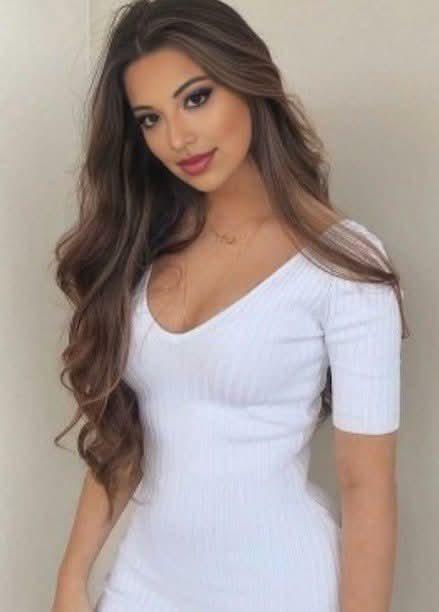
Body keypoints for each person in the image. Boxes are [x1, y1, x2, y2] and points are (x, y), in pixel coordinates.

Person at [51, 1, 410, 611]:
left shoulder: (343, 265)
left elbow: (366, 488)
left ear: (249, 80)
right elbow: (123, 436)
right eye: (150, 119)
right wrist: (71, 580)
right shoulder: (146, 245)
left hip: (279, 588)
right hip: (142, 586)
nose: (177, 138)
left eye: (196, 98)